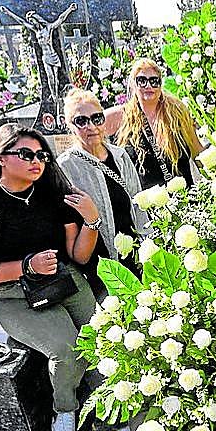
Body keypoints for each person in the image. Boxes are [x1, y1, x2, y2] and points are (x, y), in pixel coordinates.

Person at [0, 125, 101, 431]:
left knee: (103, 339)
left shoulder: (53, 196)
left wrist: (91, 221)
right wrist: (25, 266)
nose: (37, 162)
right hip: (13, 294)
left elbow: (79, 255)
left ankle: (117, 411)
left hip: (64, 280)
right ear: (1, 158)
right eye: (26, 154)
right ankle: (65, 409)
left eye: (42, 155)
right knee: (67, 349)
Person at [58, 88, 149, 294]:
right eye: (81, 121)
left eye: (97, 118)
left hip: (135, 257)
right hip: (98, 269)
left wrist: (148, 250)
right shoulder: (65, 167)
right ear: (69, 125)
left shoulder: (120, 156)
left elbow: (138, 205)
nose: (91, 127)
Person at [104, 58, 203, 189]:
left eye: (154, 81)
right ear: (133, 84)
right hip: (147, 202)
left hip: (186, 197)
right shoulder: (119, 116)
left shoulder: (177, 111)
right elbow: (90, 129)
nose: (148, 86)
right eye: (142, 81)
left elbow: (197, 151)